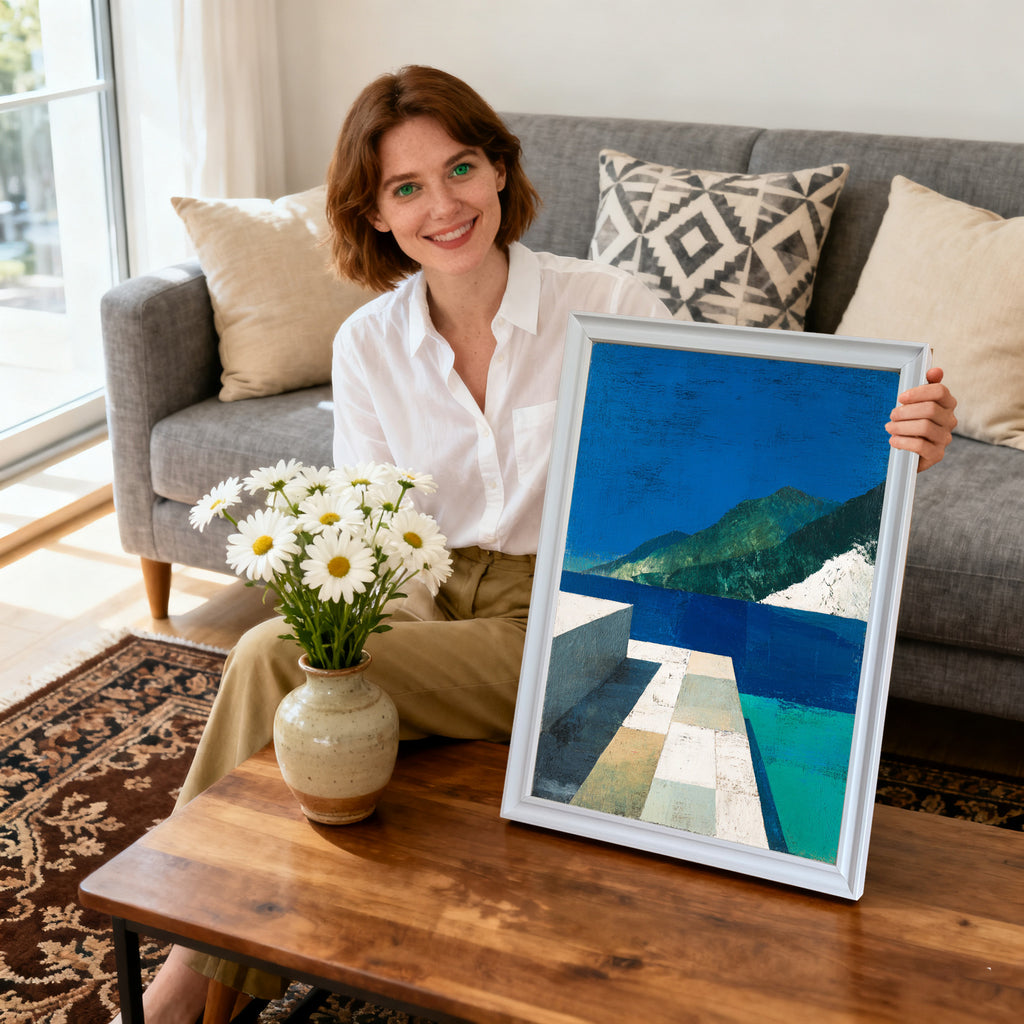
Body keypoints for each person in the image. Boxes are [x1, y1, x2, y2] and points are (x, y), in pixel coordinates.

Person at [113, 65, 957, 1024]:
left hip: (573, 609)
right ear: (375, 215)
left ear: (501, 171)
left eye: (461, 168)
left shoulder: (608, 303)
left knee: (270, 658)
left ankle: (186, 978)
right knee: (304, 679)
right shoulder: (367, 344)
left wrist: (891, 440)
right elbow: (368, 538)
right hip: (427, 608)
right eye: (407, 188)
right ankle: (212, 951)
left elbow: (736, 438)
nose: (445, 205)